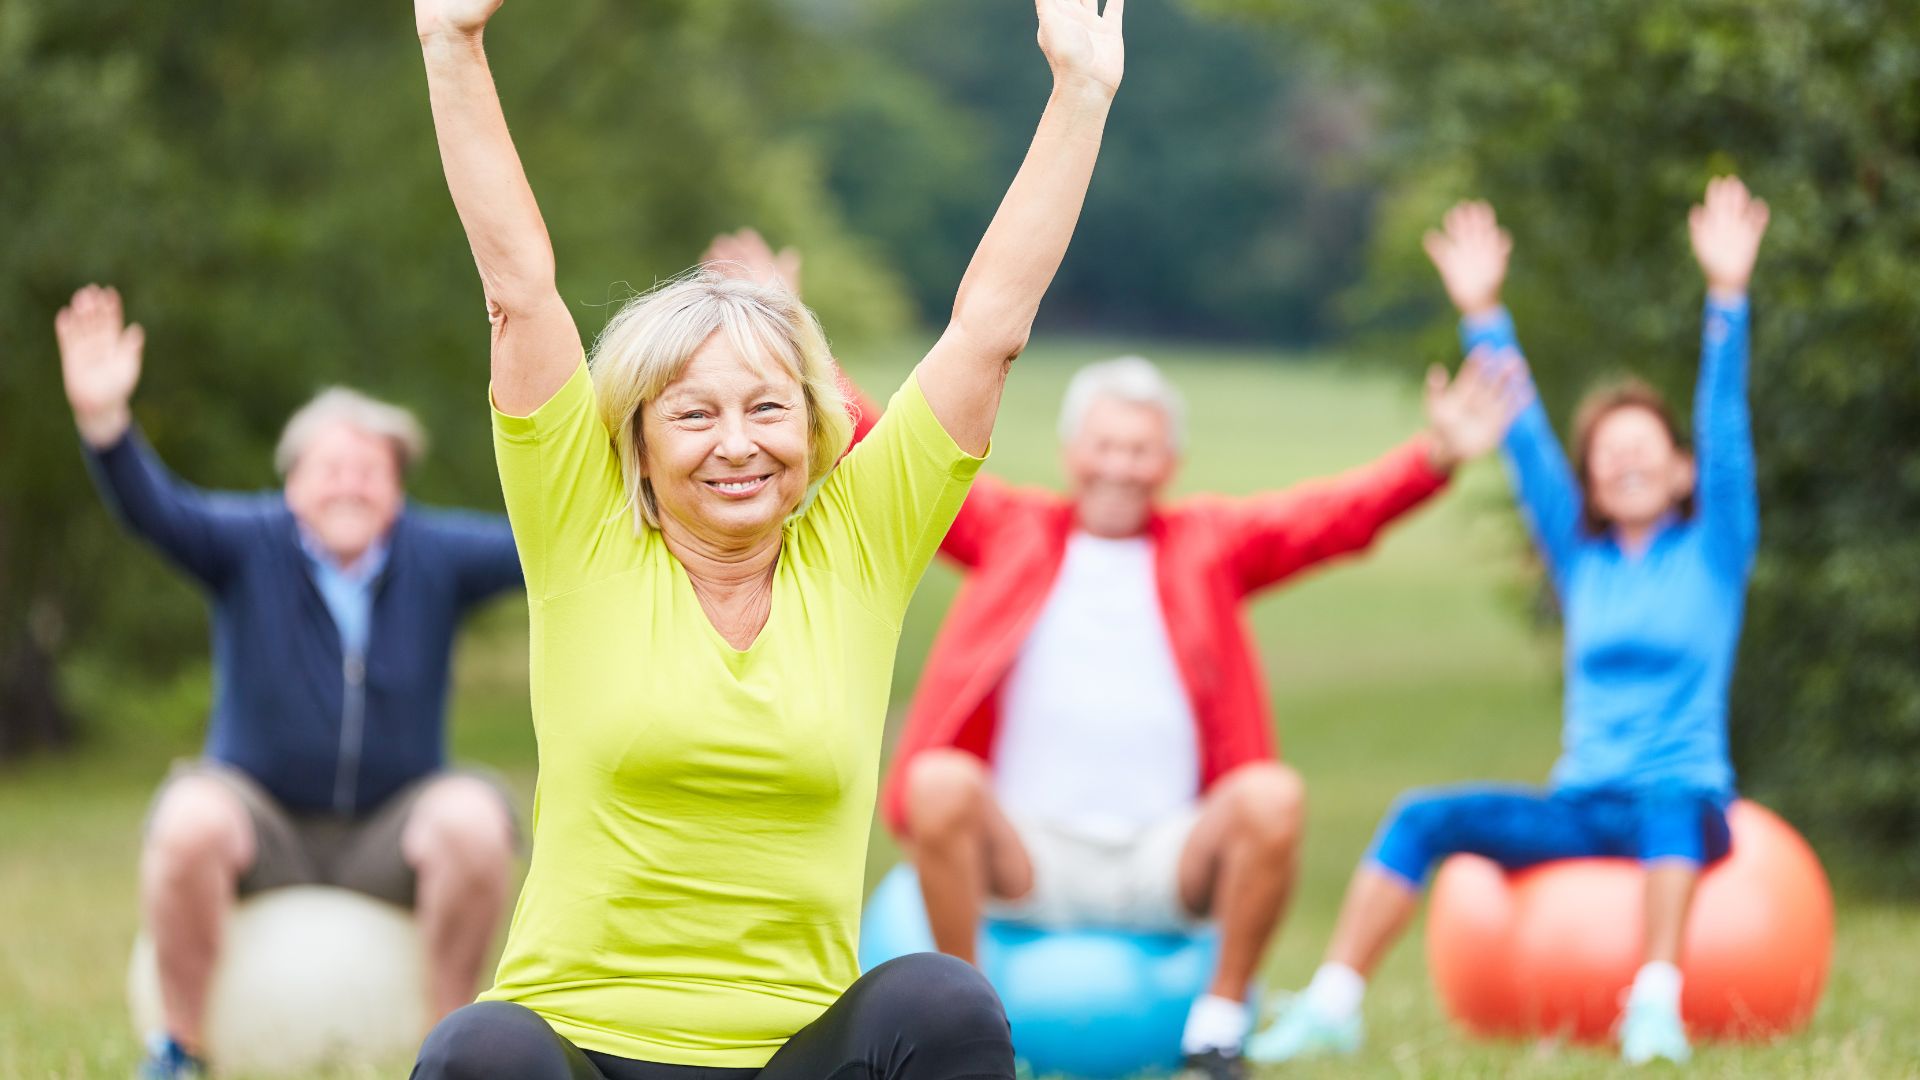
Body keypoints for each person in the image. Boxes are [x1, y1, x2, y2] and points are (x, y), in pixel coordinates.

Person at [406, 0, 1126, 1076]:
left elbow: (990, 330)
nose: (736, 445)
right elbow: (519, 293)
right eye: (694, 415)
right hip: (585, 1050)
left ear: (818, 421)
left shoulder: (859, 549)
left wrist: (1079, 93)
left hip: (788, 1054)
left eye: (768, 409)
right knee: (480, 1049)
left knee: (946, 1002)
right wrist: (450, 45)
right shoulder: (583, 538)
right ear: (637, 444)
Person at [705, 221, 1522, 1077]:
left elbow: (1328, 518)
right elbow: (885, 441)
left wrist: (1433, 459)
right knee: (939, 781)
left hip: (1162, 855)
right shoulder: (1012, 531)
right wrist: (787, 322)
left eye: (1140, 449)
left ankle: (1217, 1028)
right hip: (1026, 853)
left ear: (1169, 459)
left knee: (1272, 797)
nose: (1121, 466)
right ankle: (970, 1027)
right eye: (1105, 445)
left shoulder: (1209, 544)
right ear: (1072, 452)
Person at [1249, 177, 1769, 1067]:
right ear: (1594, 482)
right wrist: (1482, 312)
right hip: (1582, 804)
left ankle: (1653, 1006)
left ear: (1682, 473)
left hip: (1684, 809)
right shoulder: (1582, 559)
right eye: (1609, 457)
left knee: (1671, 800)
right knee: (1422, 816)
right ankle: (1334, 1001)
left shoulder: (1717, 548)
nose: (1627, 463)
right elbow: (1525, 443)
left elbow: (1725, 426)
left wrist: (1727, 297)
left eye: (1644, 450)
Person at [54, 285, 525, 1080]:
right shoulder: (248, 542)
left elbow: (546, 541)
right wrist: (105, 423)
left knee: (477, 823)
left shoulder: (435, 554)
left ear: (399, 488)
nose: (350, 485)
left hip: (392, 823)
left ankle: (444, 1057)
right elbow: (153, 510)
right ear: (294, 480)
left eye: (371, 471)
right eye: (331, 468)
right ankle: (178, 1049)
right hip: (259, 817)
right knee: (187, 820)